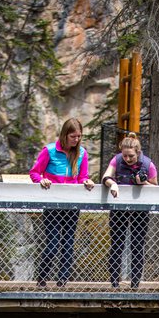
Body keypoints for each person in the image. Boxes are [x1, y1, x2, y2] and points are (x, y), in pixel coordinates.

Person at [29, 118, 95, 286]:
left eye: (79, 136)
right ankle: (42, 279)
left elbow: (82, 177)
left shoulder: (82, 153)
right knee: (52, 244)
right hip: (52, 204)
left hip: (72, 205)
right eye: (73, 136)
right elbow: (35, 173)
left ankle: (62, 281)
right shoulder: (49, 150)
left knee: (68, 243)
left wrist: (86, 182)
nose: (76, 140)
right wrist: (41, 180)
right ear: (65, 135)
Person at [101, 132, 158, 289]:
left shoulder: (148, 165)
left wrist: (143, 182)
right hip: (119, 208)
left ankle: (135, 285)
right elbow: (106, 176)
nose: (127, 159)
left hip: (140, 210)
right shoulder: (117, 160)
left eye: (131, 156)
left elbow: (156, 188)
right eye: (125, 155)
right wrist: (112, 183)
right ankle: (114, 284)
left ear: (138, 153)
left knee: (137, 245)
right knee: (117, 245)